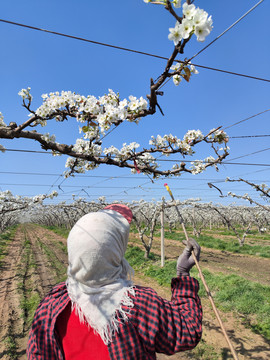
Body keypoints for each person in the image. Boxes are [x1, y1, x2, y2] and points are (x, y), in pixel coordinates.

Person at [27, 204, 202, 360]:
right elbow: (187, 331)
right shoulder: (138, 304)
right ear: (116, 250)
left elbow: (37, 353)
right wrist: (183, 274)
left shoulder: (51, 304)